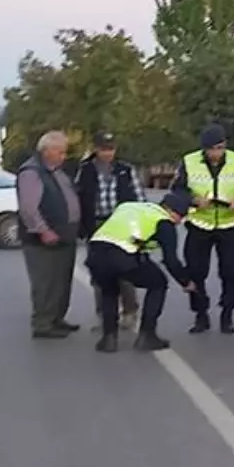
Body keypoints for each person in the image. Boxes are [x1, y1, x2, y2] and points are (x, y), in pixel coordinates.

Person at [170, 123, 234, 335]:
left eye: (220, 148)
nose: (215, 153)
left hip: (230, 224)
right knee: (196, 271)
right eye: (211, 149)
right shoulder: (189, 161)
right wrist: (193, 199)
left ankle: (227, 314)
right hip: (200, 224)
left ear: (225, 145)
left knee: (231, 272)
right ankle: (201, 314)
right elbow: (178, 189)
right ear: (204, 148)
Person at [85, 193, 195, 353]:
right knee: (158, 283)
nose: (180, 222)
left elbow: (128, 233)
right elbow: (171, 261)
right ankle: (147, 336)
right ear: (174, 212)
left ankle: (109, 339)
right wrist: (186, 282)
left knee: (109, 291)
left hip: (96, 254)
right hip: (122, 257)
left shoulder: (128, 206)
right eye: (181, 217)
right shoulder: (164, 222)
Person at [76, 131, 146, 332]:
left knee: (125, 272)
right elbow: (80, 198)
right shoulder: (86, 170)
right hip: (97, 227)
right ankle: (105, 316)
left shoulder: (125, 170)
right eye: (104, 149)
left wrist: (139, 226)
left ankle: (130, 312)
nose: (108, 153)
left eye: (111, 149)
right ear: (96, 149)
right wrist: (81, 226)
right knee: (100, 274)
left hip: (122, 226)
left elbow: (140, 198)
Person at [16, 130, 81, 339]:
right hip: (42, 239)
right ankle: (43, 323)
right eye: (60, 152)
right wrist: (43, 230)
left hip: (64, 236)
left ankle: (57, 318)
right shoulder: (32, 172)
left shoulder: (57, 171)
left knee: (61, 281)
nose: (63, 156)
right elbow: (28, 208)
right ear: (46, 151)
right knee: (45, 282)